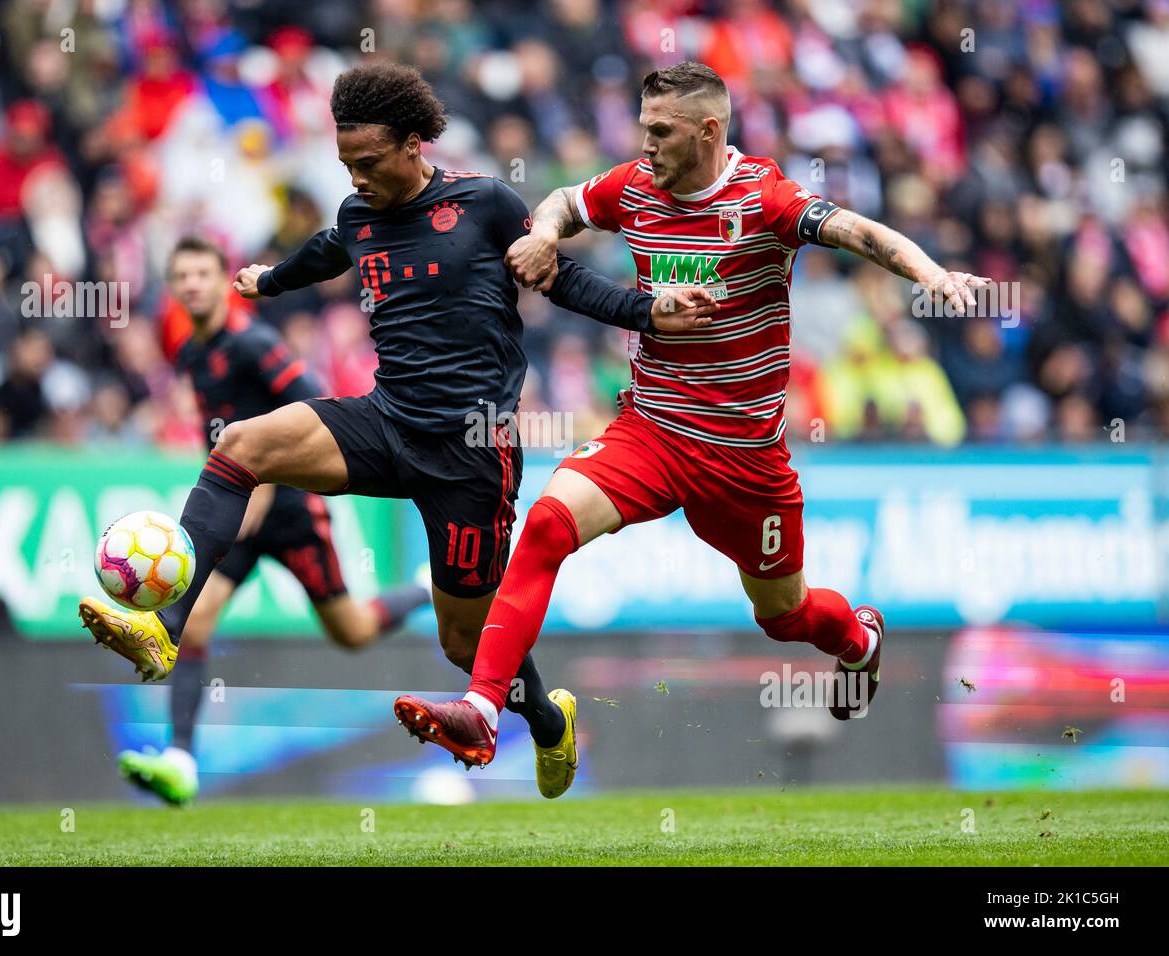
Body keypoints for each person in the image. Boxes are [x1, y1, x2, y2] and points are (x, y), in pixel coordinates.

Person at [76, 63, 716, 800]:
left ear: (414, 145)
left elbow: (562, 279)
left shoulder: (484, 203)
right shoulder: (360, 212)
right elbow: (330, 247)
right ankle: (165, 626)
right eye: (346, 164)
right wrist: (270, 280)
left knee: (463, 642)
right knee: (241, 445)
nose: (357, 178)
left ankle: (548, 721)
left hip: (470, 453)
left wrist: (647, 311)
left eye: (370, 162)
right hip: (385, 420)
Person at [393, 62, 990, 783]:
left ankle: (858, 641)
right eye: (643, 128)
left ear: (708, 131)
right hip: (652, 429)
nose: (645, 144)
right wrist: (546, 233)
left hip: (744, 458)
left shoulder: (765, 197)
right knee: (548, 523)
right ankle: (483, 710)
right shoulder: (634, 187)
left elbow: (857, 231)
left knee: (785, 615)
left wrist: (932, 276)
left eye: (661, 131)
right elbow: (563, 200)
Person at [82, 235, 431, 805]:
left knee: (351, 632)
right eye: (183, 276)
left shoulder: (254, 343)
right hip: (235, 520)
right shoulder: (190, 353)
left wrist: (264, 481)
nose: (193, 284)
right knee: (194, 623)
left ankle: (424, 590)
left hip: (290, 510)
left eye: (203, 274)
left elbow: (315, 405)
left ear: (223, 282)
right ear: (173, 288)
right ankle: (180, 761)